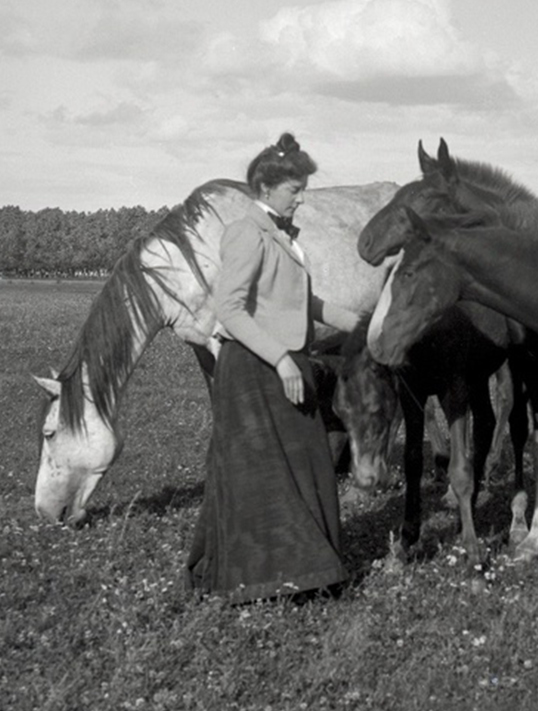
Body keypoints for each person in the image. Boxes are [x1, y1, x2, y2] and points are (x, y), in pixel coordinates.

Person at [186, 132, 362, 603]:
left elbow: (303, 302)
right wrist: (282, 358)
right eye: (294, 190)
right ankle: (267, 579)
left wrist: (365, 325)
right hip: (254, 370)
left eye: (303, 189)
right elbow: (229, 308)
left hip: (283, 363)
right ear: (265, 191)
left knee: (308, 468)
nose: (302, 199)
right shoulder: (247, 233)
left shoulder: (282, 236)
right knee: (263, 477)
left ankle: (306, 572)